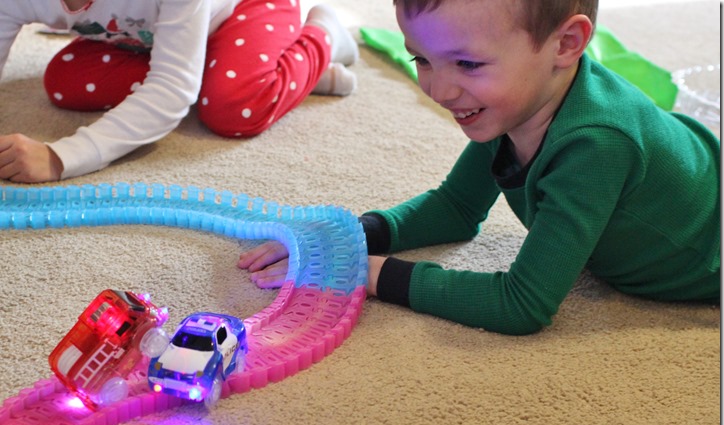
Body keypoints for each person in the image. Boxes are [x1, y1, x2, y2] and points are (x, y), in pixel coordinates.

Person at [238, 0, 721, 335]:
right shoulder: (519, 105)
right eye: (421, 59)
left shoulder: (596, 146)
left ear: (566, 44)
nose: (439, 90)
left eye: (467, 64)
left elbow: (522, 304)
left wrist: (364, 272)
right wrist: (350, 237)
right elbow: (456, 208)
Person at [0, 0, 359, 183]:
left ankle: (322, 35)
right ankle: (242, 70)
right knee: (66, 83)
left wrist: (60, 157)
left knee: (234, 108)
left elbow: (171, 90)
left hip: (247, 8)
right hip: (150, 36)